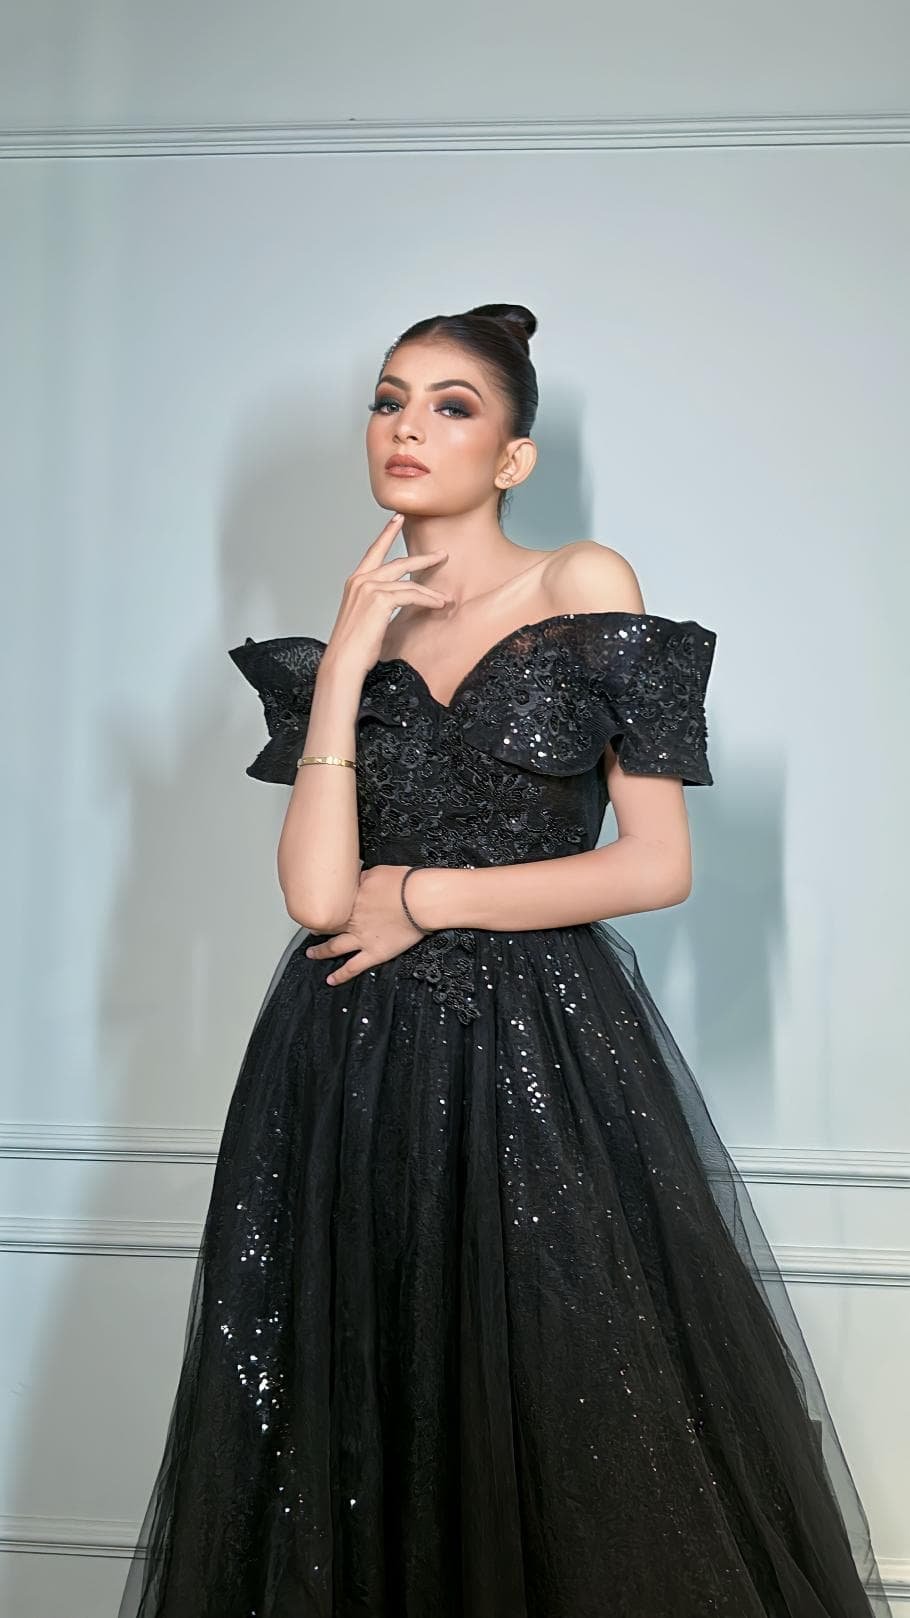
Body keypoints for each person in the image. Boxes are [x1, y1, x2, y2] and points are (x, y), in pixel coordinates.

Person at [118, 304, 893, 1618]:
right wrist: (348, 654)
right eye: (388, 400)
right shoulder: (357, 634)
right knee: (357, 1416)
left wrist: (425, 895)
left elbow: (655, 865)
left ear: (514, 456)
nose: (407, 426)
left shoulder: (581, 582)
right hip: (344, 1062)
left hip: (537, 1058)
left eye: (451, 405)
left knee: (566, 1410)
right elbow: (316, 894)